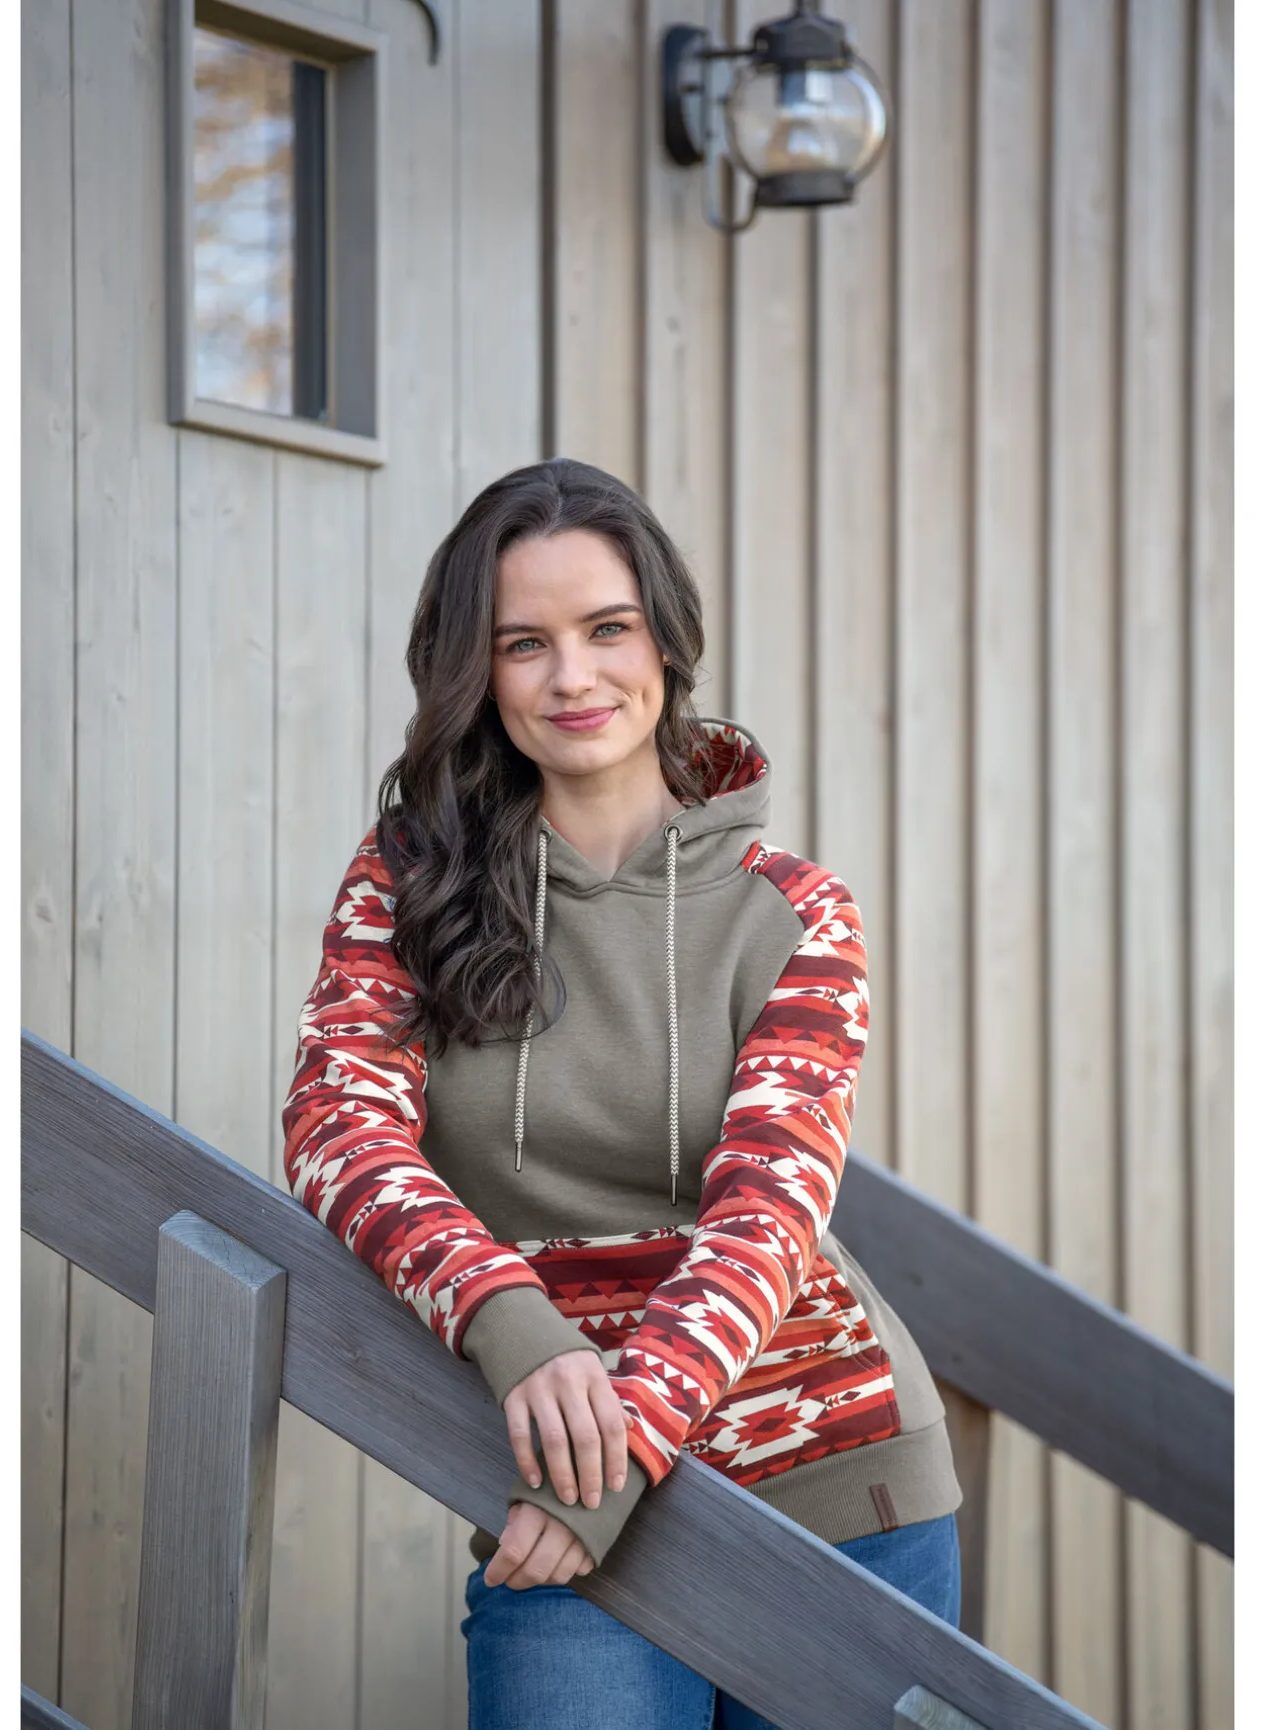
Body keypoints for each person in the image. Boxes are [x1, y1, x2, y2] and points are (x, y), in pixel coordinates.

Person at [281, 457, 963, 1728]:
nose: (572, 677)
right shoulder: (409, 886)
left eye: (608, 628)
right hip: (565, 1483)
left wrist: (620, 1448)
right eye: (522, 643)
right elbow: (338, 1127)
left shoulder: (791, 908)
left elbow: (768, 1212)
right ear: (476, 672)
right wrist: (514, 1324)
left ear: (665, 638)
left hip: (832, 1484)